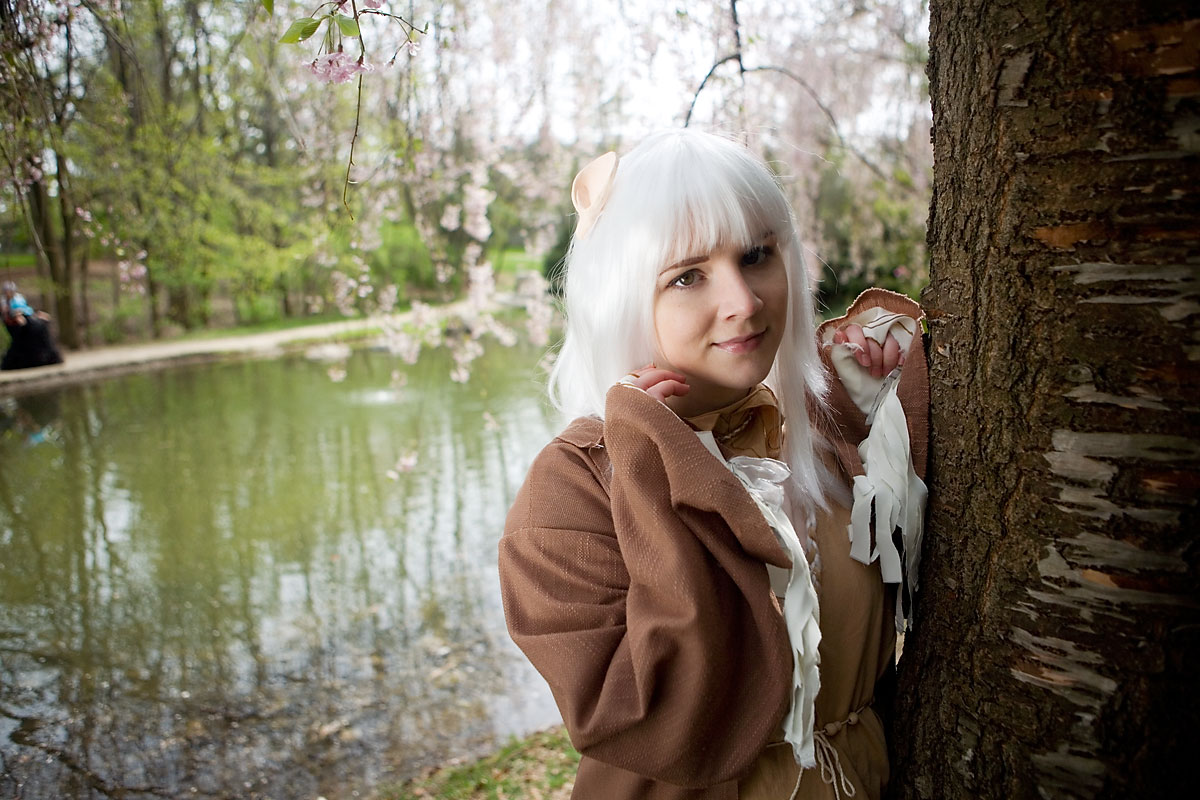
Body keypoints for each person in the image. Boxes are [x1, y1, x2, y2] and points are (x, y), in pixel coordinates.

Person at [498, 129, 928, 800]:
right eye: (687, 276)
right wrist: (652, 471)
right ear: (621, 298)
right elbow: (659, 722)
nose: (745, 302)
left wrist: (875, 412)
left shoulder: (820, 427)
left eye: (756, 255)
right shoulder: (572, 490)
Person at [1, 280, 63, 370]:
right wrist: (15, 315)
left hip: (28, 315)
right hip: (15, 319)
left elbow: (27, 309)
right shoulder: (4, 302)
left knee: (42, 322)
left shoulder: (19, 298)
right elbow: (7, 314)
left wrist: (35, 314)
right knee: (24, 325)